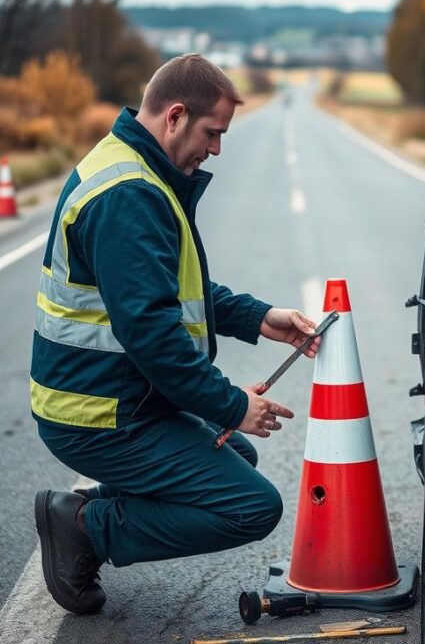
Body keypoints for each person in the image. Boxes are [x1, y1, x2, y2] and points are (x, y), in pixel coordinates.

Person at [30, 54, 319, 614]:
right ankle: (87, 528)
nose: (215, 149)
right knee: (251, 506)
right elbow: (153, 334)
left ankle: (80, 513)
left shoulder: (134, 170)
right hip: (96, 414)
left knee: (234, 455)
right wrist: (232, 404)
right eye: (212, 134)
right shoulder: (129, 195)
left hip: (119, 397)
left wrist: (258, 317)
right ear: (176, 116)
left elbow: (173, 291)